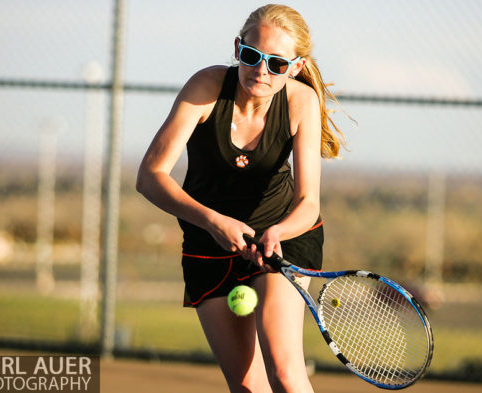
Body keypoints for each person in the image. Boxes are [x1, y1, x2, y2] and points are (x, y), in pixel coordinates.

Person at [136, 4, 345, 392]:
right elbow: (150, 177)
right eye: (252, 56)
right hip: (207, 244)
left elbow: (308, 202)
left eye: (277, 64)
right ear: (237, 49)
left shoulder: (300, 102)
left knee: (284, 373)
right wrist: (213, 222)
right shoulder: (206, 88)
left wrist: (276, 233)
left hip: (283, 241)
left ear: (296, 67)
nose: (261, 71)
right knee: (249, 388)